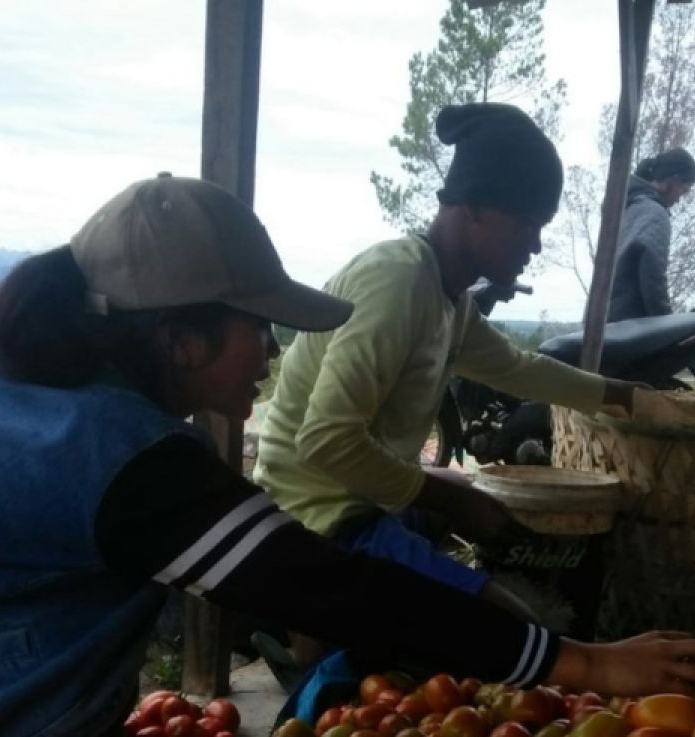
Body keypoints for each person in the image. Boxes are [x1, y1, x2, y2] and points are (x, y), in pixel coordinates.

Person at [0, 173, 695, 737]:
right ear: (182, 340)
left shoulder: (17, 382)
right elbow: (335, 590)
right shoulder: (116, 454)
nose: (274, 350)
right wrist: (581, 664)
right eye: (256, 326)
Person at [252, 103, 649, 669]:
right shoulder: (398, 283)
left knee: (470, 532)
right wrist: (443, 495)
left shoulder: (449, 297)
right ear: (475, 211)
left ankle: (315, 640)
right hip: (316, 510)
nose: (535, 245)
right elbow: (325, 439)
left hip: (355, 495)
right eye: (528, 225)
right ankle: (312, 630)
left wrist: (618, 393)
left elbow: (516, 367)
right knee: (515, 626)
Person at [606, 148, 695, 323]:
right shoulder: (655, 212)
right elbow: (653, 274)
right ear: (674, 180)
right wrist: (667, 325)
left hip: (605, 323)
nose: (679, 199)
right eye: (684, 190)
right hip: (630, 330)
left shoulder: (625, 209)